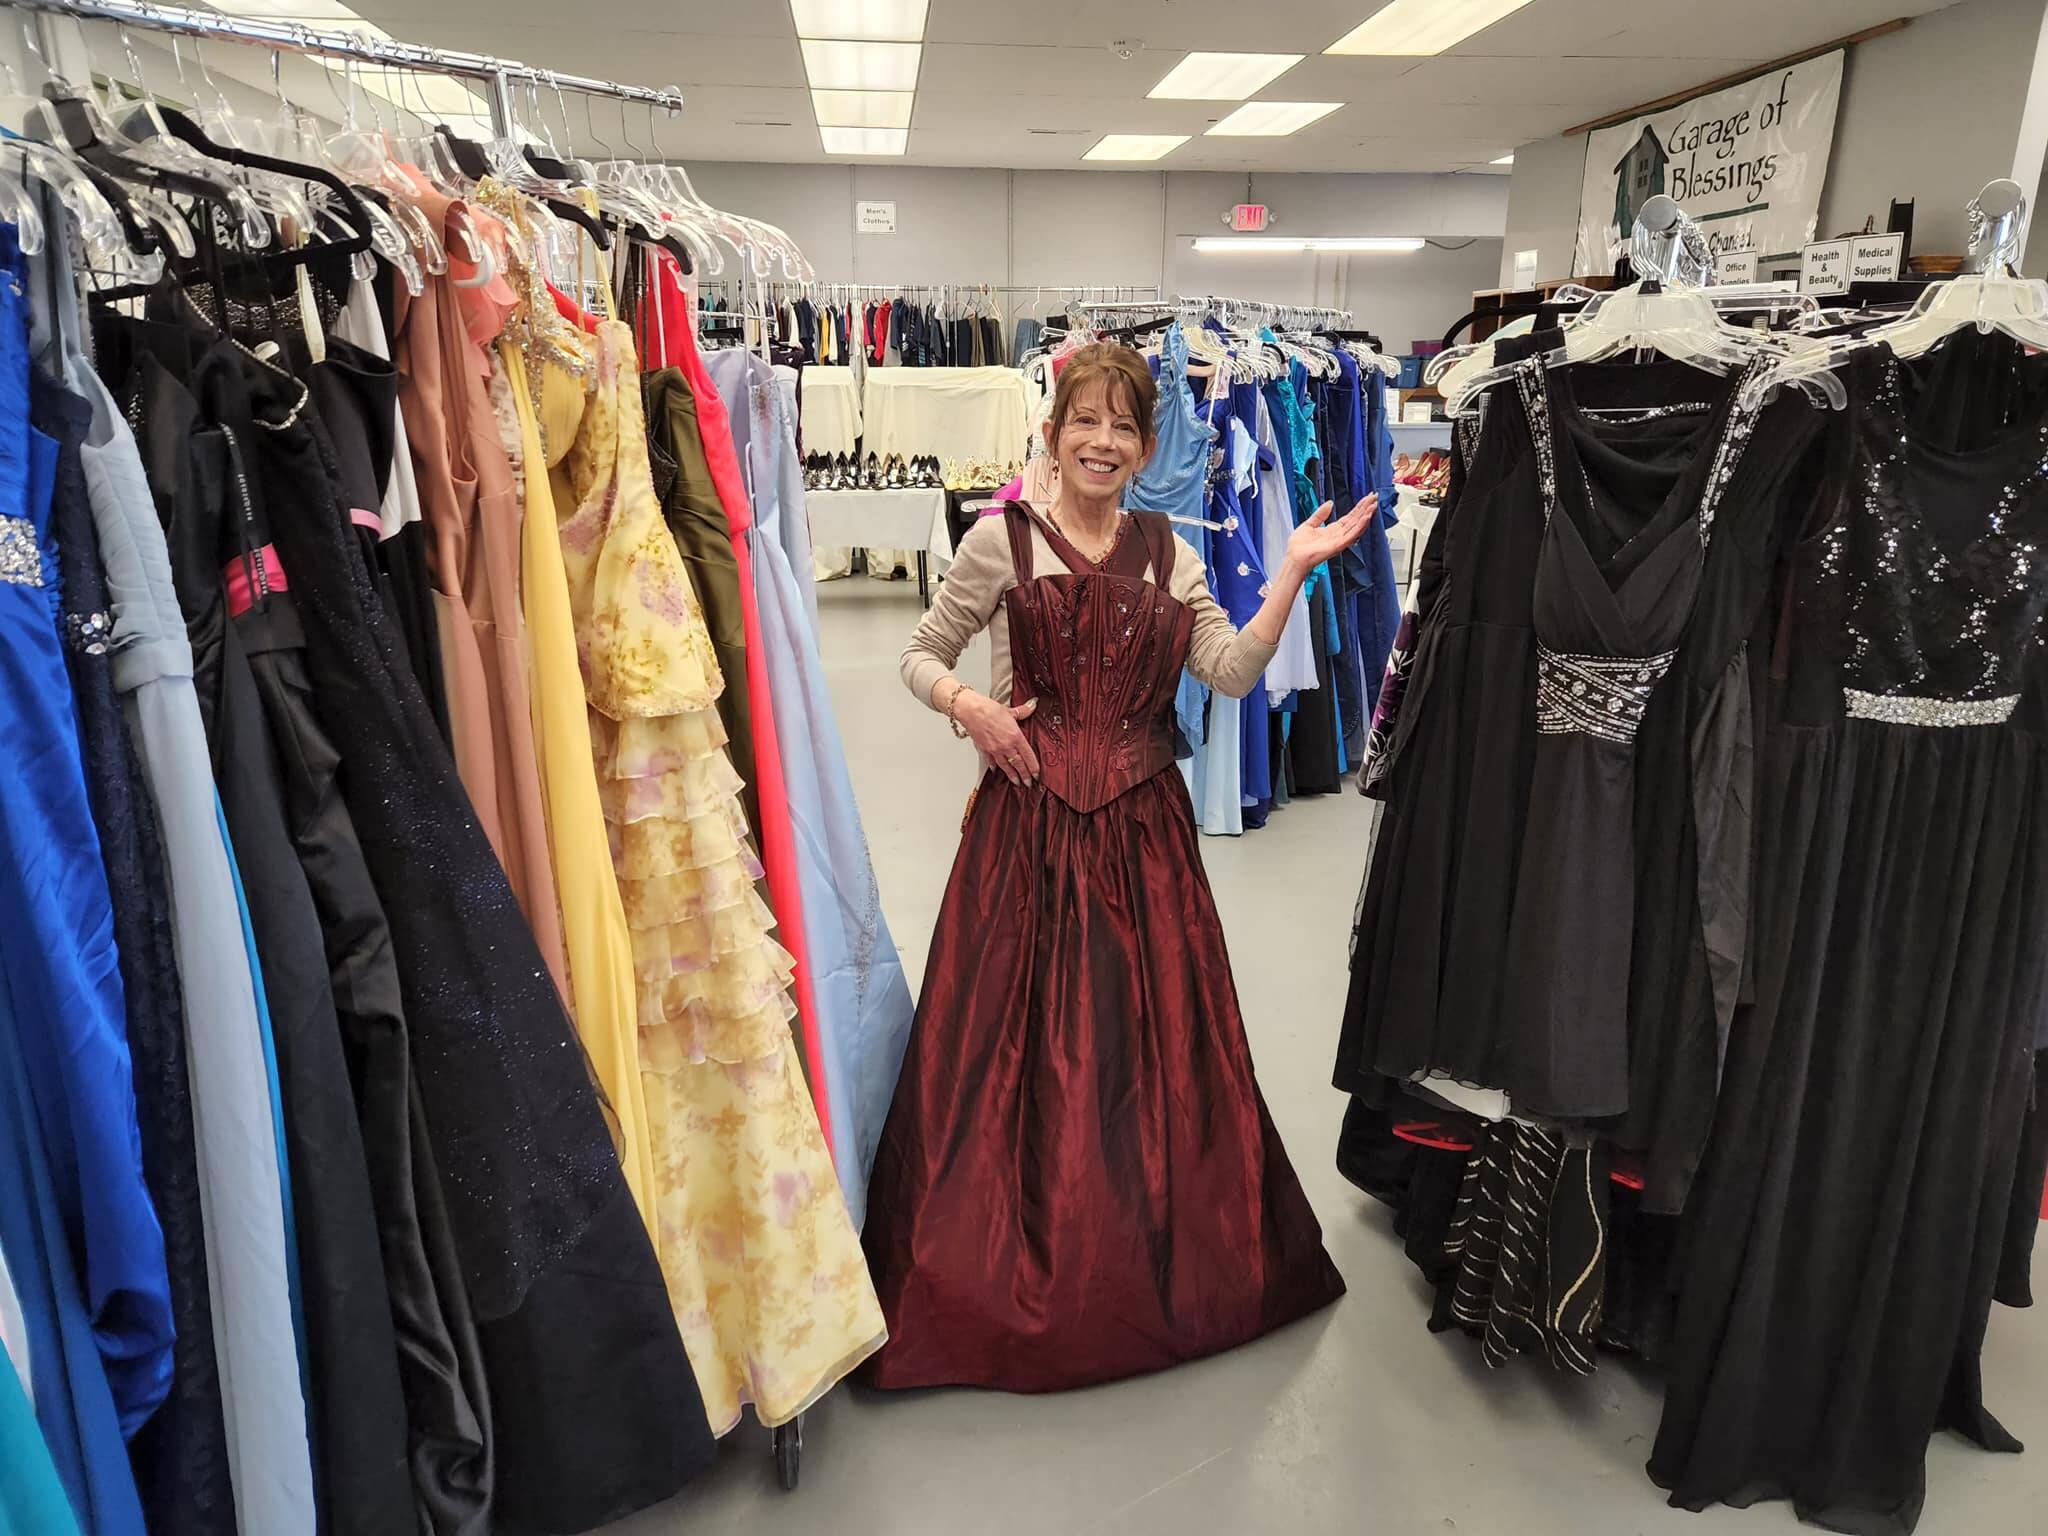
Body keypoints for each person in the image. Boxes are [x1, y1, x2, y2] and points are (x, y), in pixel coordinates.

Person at [862, 343, 1363, 1391]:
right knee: (1014, 1052)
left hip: (1143, 841)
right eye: (1082, 421)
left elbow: (1227, 673)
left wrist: (1287, 576)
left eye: (1122, 427)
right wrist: (972, 707)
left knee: (1148, 1055)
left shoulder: (1169, 552)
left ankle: (1139, 1264)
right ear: (1051, 433)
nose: (1101, 442)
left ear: (1145, 446)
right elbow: (919, 654)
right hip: (1024, 836)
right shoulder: (997, 544)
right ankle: (1010, 1268)